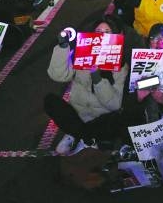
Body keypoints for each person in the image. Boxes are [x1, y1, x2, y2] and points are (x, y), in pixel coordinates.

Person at [47, 16, 128, 155]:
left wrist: (97, 78)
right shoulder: (81, 52)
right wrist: (63, 47)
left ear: (116, 35)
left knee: (117, 119)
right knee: (50, 101)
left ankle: (82, 136)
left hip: (101, 118)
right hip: (79, 114)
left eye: (107, 31)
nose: (101, 34)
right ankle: (85, 137)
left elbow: (115, 104)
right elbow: (58, 76)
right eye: (98, 31)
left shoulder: (120, 66)